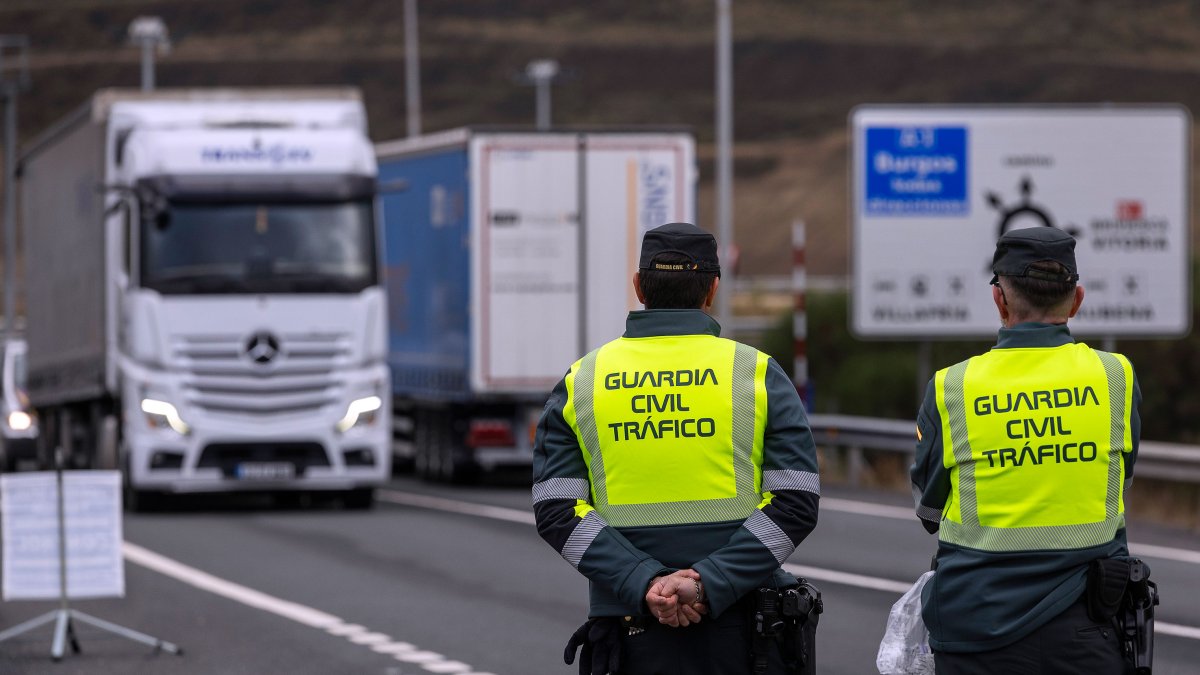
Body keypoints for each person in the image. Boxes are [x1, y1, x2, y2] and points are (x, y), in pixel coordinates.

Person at [532, 222, 821, 675]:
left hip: (628, 636)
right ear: (713, 289)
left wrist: (644, 581)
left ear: (639, 287)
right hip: (745, 637)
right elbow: (796, 503)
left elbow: (556, 511)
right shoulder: (756, 374)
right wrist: (710, 582)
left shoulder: (582, 381)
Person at [910, 226, 1141, 674]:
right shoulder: (1117, 377)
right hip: (1088, 628)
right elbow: (1119, 479)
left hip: (975, 629)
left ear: (1001, 300)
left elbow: (929, 509)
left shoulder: (951, 387)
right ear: (1076, 300)